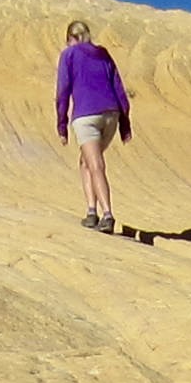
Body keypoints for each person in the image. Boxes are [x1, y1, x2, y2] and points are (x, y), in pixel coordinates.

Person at [55, 18, 132, 232]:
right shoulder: (104, 54)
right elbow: (119, 88)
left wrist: (61, 125)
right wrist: (125, 125)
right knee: (86, 162)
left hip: (86, 116)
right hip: (111, 114)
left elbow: (63, 91)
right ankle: (91, 211)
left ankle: (107, 214)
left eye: (68, 40)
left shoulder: (68, 55)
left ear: (73, 38)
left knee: (96, 164)